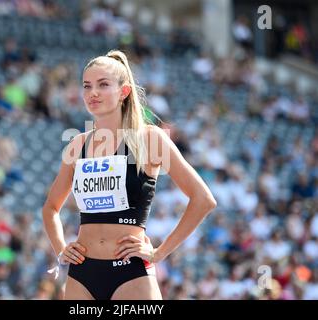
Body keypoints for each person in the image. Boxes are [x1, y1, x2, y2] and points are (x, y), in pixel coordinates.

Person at [42, 50, 217, 300]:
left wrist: (159, 252)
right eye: (87, 86)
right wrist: (60, 249)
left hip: (130, 273)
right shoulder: (77, 145)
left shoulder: (150, 138)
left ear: (123, 92)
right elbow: (50, 208)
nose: (93, 93)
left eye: (103, 85)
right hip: (82, 273)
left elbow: (203, 199)